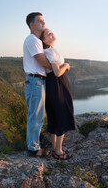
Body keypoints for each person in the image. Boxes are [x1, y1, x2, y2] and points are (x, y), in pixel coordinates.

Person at [40, 28, 75, 160]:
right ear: (44, 40)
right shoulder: (50, 51)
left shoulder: (48, 51)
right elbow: (57, 73)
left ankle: (54, 149)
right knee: (62, 114)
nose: (52, 34)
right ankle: (59, 152)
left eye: (51, 32)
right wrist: (66, 65)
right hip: (58, 84)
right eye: (48, 34)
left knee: (54, 116)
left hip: (52, 85)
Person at [23, 12, 53, 157]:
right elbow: (42, 61)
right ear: (31, 24)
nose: (43, 23)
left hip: (37, 81)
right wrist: (57, 67)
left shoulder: (36, 40)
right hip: (35, 81)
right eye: (40, 21)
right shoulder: (33, 40)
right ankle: (33, 149)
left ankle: (33, 146)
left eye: (43, 21)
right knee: (36, 116)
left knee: (36, 115)